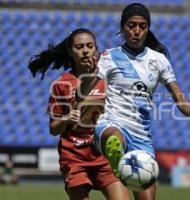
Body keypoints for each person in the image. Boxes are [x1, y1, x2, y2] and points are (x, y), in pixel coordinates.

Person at [76, 3, 190, 200]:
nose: (136, 31)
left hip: (141, 136)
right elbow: (83, 92)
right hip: (111, 123)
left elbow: (179, 97)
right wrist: (91, 74)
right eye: (131, 25)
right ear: (122, 27)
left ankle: (124, 168)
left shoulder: (159, 60)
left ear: (148, 28)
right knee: (113, 138)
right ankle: (116, 162)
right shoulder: (109, 57)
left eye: (142, 26)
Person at [28, 28, 130, 200]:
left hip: (104, 157)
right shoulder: (61, 84)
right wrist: (66, 119)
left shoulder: (110, 80)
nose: (85, 50)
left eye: (89, 46)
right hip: (75, 159)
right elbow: (53, 129)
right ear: (71, 51)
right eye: (79, 46)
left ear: (96, 50)